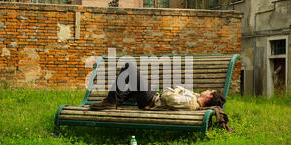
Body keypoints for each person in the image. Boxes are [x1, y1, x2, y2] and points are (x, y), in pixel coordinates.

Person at [89, 62, 226, 111]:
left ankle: (111, 102)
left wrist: (176, 89)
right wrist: (179, 90)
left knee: (129, 68)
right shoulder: (195, 99)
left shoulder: (190, 102)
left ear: (209, 96)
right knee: (130, 83)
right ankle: (114, 102)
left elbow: (168, 97)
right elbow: (183, 92)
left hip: (151, 101)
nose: (206, 89)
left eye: (209, 90)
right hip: (152, 98)